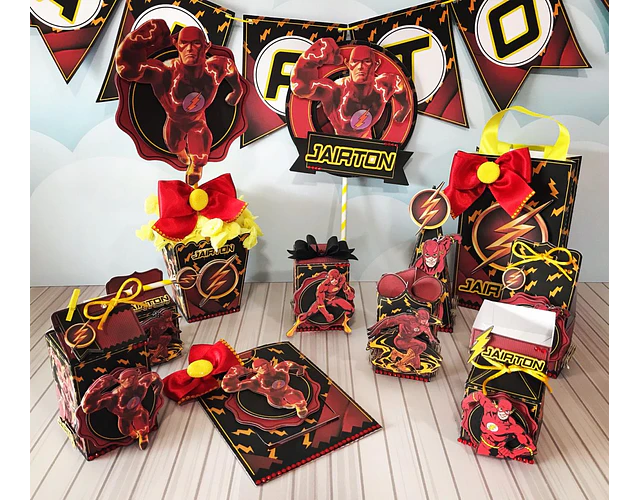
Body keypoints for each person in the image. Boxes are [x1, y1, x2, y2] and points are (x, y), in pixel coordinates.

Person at [115, 19, 245, 185]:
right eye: (184, 43)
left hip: (197, 119)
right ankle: (183, 155)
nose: (190, 48)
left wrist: (237, 91)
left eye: (196, 43)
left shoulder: (216, 68)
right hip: (174, 120)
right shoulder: (164, 72)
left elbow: (230, 68)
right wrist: (141, 38)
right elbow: (127, 70)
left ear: (206, 47)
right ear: (177, 45)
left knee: (199, 147)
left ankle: (196, 166)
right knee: (174, 146)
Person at [290, 37, 410, 138]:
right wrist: (309, 59)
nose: (360, 67)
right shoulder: (334, 91)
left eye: (366, 61)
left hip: (368, 142)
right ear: (348, 64)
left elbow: (398, 84)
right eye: (355, 62)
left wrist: (404, 110)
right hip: (339, 145)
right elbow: (299, 87)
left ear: (376, 65)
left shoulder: (384, 87)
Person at [81, 368, 163, 450]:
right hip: (124, 418)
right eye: (125, 379)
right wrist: (99, 384)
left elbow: (154, 376)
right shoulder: (113, 398)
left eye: (131, 378)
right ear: (120, 381)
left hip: (139, 411)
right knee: (126, 431)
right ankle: (133, 435)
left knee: (144, 427)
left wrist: (159, 386)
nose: (129, 380)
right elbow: (87, 408)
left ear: (137, 377)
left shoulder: (142, 384)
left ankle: (143, 436)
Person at [221, 358, 309, 418]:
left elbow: (289, 363)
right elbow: (228, 387)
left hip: (287, 390)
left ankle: (300, 406)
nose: (263, 368)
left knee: (294, 394)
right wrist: (234, 373)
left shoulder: (281, 368)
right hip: (274, 398)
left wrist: (299, 368)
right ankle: (288, 405)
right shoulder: (255, 382)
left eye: (264, 365)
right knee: (277, 401)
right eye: (258, 368)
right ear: (255, 371)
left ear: (270, 363)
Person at [461, 391, 537, 459]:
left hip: (499, 451)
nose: (503, 413)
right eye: (501, 409)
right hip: (482, 445)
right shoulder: (489, 411)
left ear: (510, 412)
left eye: (506, 411)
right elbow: (480, 395)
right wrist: (465, 402)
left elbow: (531, 447)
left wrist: (512, 453)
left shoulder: (512, 427)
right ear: (498, 408)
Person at [367, 309, 437, 372]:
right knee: (420, 346)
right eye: (423, 319)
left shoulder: (424, 325)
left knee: (417, 364)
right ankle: (400, 363)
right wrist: (378, 328)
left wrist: (432, 338)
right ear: (417, 316)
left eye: (426, 320)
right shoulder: (408, 319)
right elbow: (390, 320)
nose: (425, 322)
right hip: (400, 340)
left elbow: (427, 330)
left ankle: (397, 354)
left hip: (410, 341)